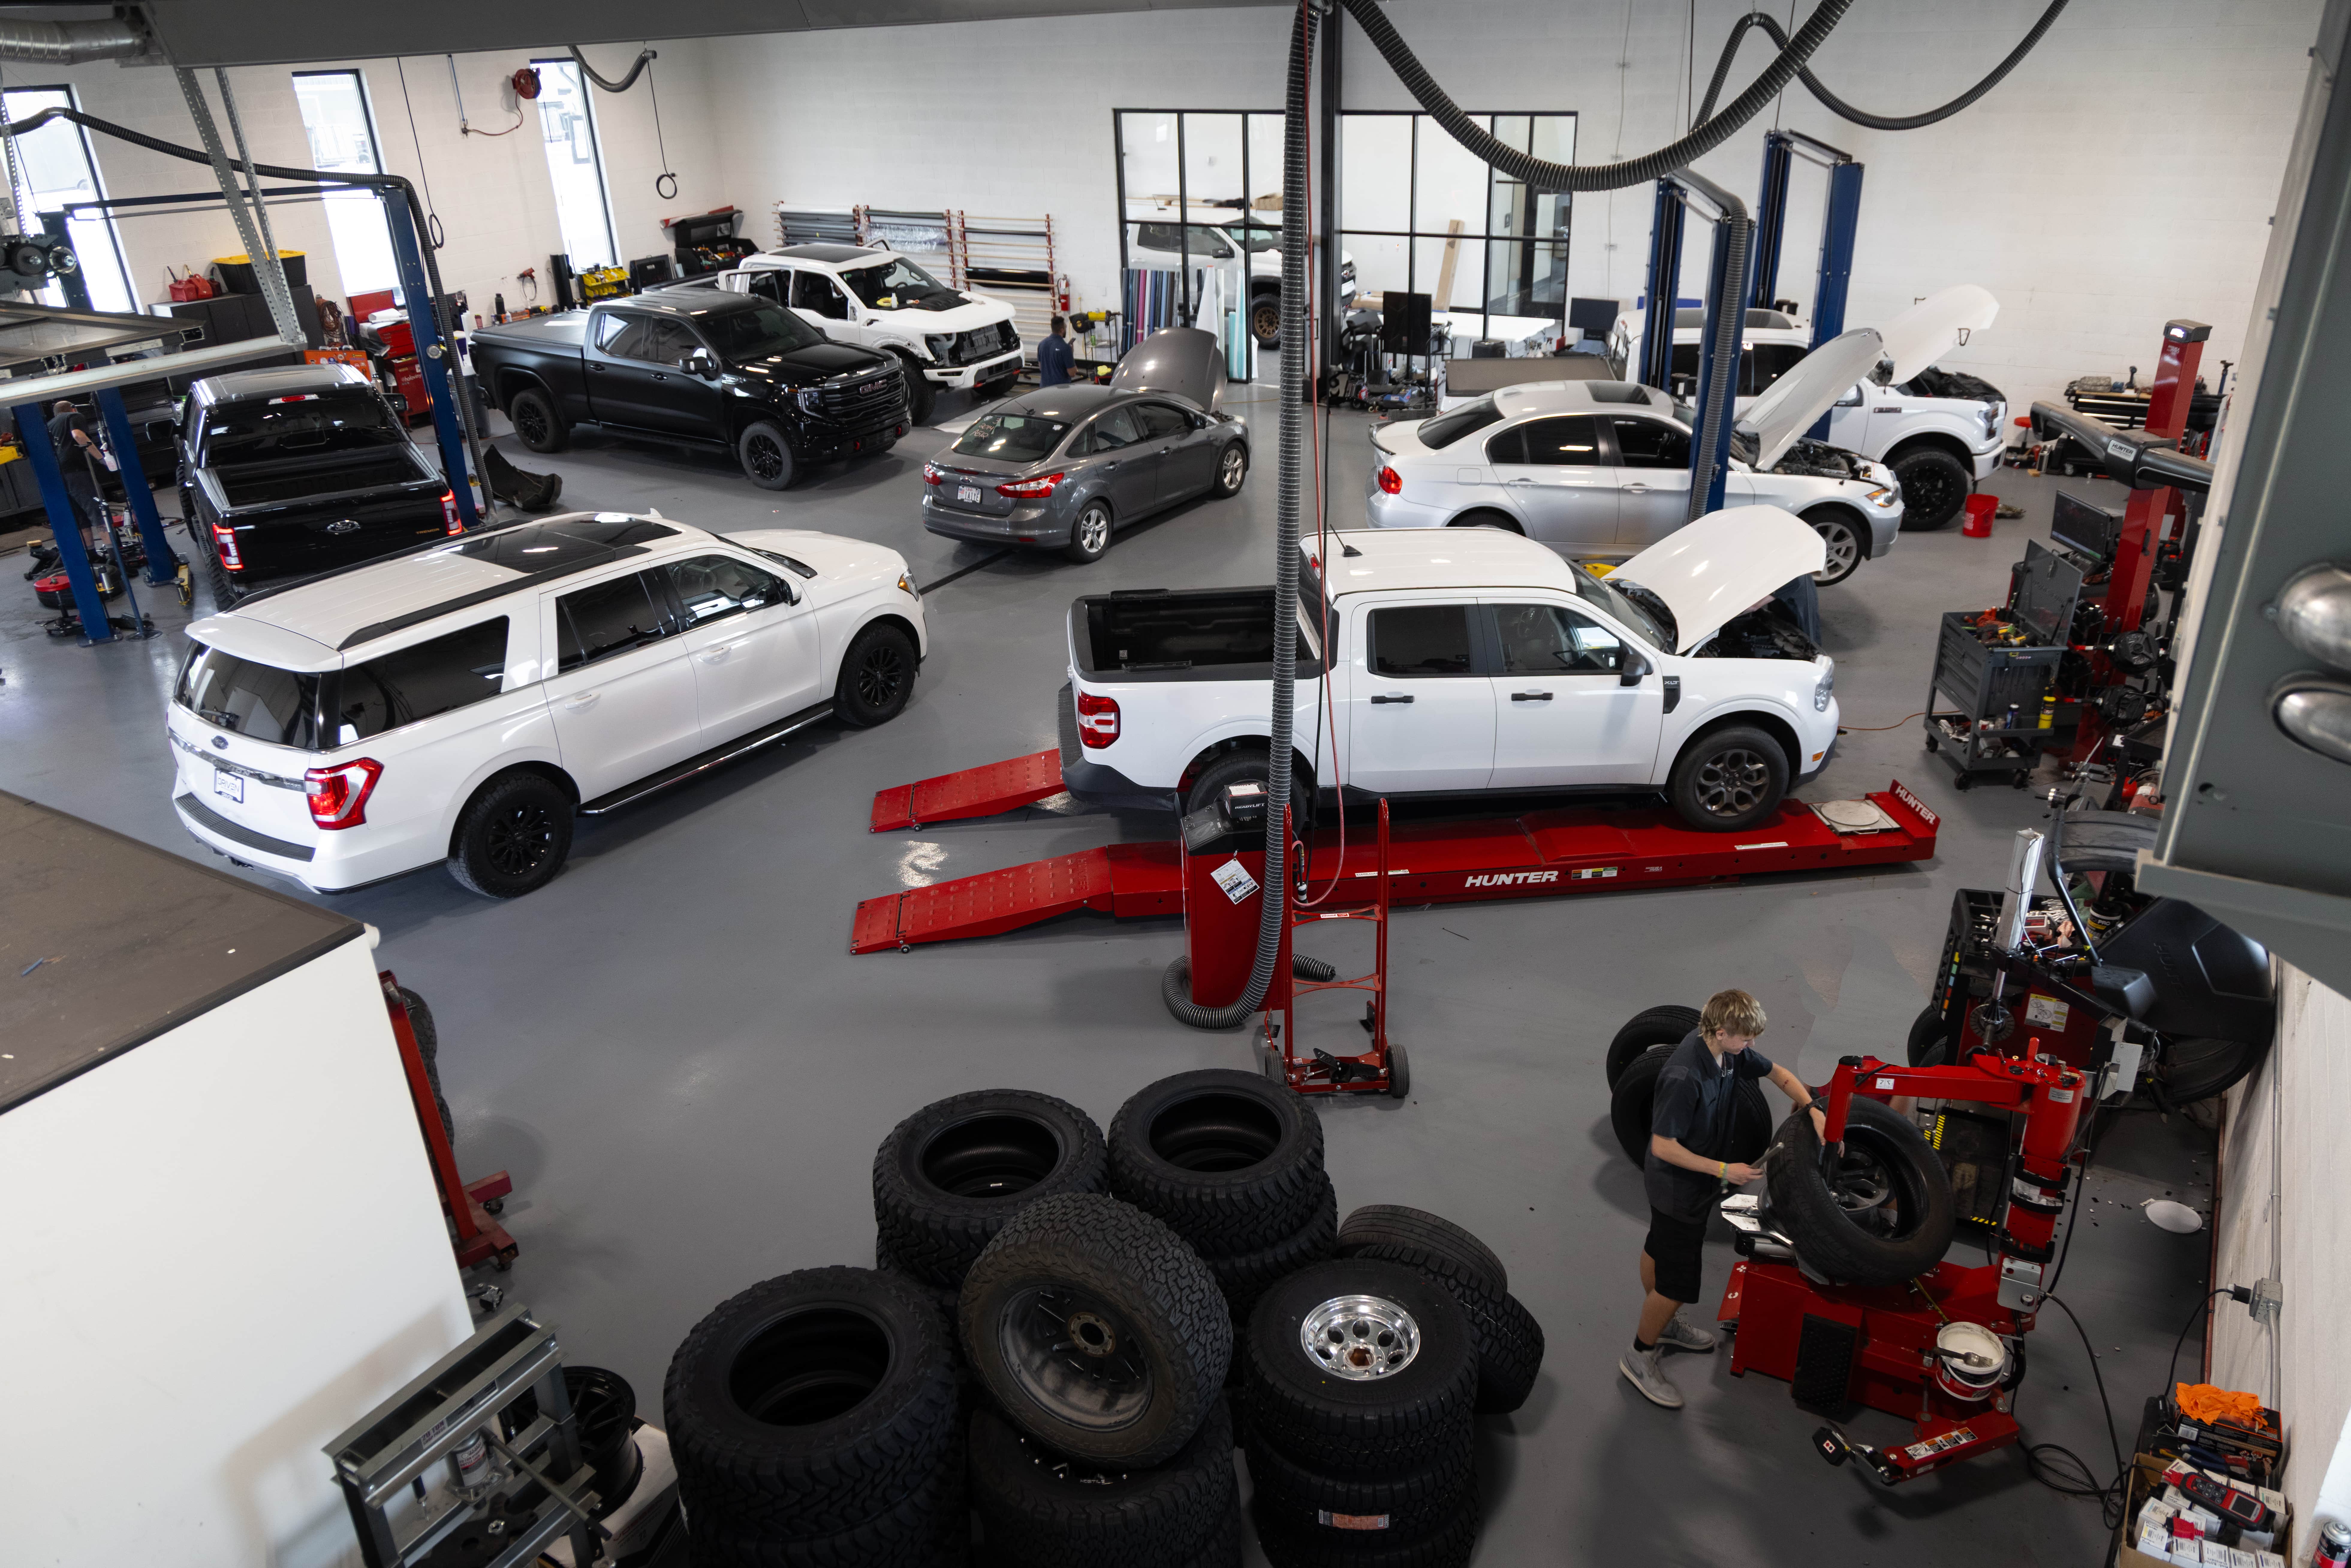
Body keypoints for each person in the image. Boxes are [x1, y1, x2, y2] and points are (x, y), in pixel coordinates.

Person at [1619, 988, 1826, 1410]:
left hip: (1689, 1184)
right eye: (1744, 1040)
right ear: (1719, 1030)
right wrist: (1724, 1170)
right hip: (1678, 1188)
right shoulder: (1683, 1075)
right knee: (1676, 1282)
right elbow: (1662, 1145)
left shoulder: (1728, 1053)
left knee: (1658, 1245)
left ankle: (1667, 1327)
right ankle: (1639, 1355)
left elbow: (1779, 1073)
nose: (1749, 1047)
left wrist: (1813, 1108)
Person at [46, 399, 103, 528]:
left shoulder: (49, 425)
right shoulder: (74, 416)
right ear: (73, 408)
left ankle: (90, 549)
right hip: (77, 470)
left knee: (80, 517)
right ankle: (112, 548)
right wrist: (102, 459)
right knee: (97, 510)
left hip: (61, 472)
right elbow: (78, 435)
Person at [1037, 314, 1076, 387]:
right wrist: (1071, 355)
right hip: (1060, 391)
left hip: (1044, 389)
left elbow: (1041, 368)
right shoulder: (1066, 348)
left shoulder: (1041, 344)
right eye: (1066, 327)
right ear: (1062, 330)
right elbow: (1072, 373)